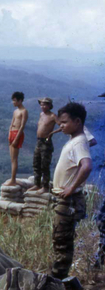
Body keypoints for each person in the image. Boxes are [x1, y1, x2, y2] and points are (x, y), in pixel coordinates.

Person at [51, 102, 93, 280]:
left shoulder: (78, 143)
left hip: (68, 201)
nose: (60, 126)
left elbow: (87, 166)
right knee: (60, 239)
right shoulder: (76, 139)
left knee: (62, 243)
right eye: (59, 123)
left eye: (64, 122)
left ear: (77, 121)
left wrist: (70, 188)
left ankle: (57, 283)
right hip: (65, 199)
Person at [29, 97, 57, 194]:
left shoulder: (53, 116)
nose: (42, 106)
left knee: (44, 165)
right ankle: (37, 184)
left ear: (49, 106)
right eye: (41, 104)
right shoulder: (41, 114)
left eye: (45, 104)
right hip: (39, 141)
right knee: (36, 163)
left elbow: (62, 126)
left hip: (46, 143)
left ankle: (45, 186)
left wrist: (51, 133)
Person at [5, 91, 28, 187]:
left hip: (18, 133)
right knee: (11, 158)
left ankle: (13, 179)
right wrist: (9, 133)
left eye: (15, 100)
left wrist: (16, 138)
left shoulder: (24, 111)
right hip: (12, 132)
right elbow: (12, 122)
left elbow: (22, 126)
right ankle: (12, 178)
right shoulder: (15, 111)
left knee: (14, 159)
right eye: (13, 100)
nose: (13, 102)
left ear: (20, 101)